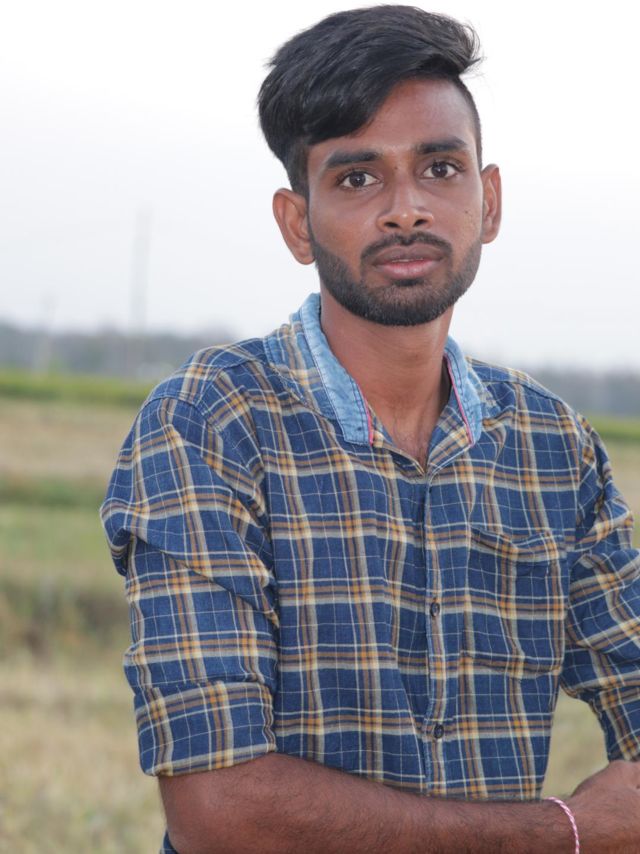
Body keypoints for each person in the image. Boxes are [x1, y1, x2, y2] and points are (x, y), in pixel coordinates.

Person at [101, 6, 640, 852]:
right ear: (297, 223)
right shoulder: (211, 423)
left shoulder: (551, 446)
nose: (406, 210)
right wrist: (564, 832)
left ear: (489, 202)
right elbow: (219, 812)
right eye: (357, 179)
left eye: (439, 168)